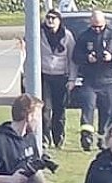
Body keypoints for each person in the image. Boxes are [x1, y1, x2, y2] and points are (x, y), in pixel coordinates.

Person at [72, 9, 112, 150]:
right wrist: (87, 58)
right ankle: (86, 138)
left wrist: (111, 57)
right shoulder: (84, 36)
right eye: (94, 26)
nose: (97, 29)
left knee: (107, 111)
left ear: (105, 23)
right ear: (90, 24)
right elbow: (75, 56)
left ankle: (103, 140)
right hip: (90, 80)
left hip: (109, 80)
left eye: (100, 26)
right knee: (88, 109)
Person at [37, 10, 76, 149]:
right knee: (44, 109)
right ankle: (44, 139)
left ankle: (58, 140)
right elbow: (29, 53)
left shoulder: (67, 36)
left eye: (54, 18)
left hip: (61, 77)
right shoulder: (39, 34)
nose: (51, 20)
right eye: (48, 17)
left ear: (59, 20)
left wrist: (72, 79)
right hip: (44, 76)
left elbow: (72, 59)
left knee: (59, 110)